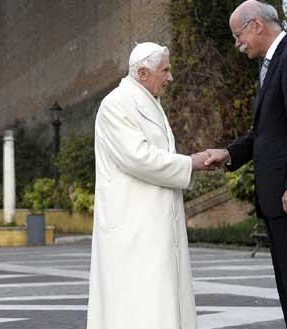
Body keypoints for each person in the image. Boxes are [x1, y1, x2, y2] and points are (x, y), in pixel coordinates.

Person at [203, 1, 287, 328]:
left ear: (256, 25)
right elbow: (267, 133)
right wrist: (229, 153)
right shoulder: (274, 63)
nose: (237, 44)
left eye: (238, 36)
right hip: (280, 201)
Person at [86, 42, 209, 329]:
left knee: (159, 299)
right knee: (137, 304)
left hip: (153, 224)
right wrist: (190, 163)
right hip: (133, 228)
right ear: (143, 72)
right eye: (164, 70)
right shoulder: (116, 105)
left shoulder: (147, 102)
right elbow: (138, 158)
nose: (170, 77)